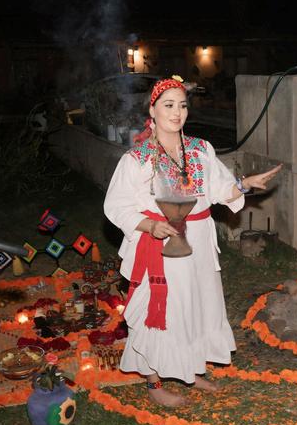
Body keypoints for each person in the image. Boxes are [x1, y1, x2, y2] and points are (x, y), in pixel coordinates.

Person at [104, 76, 281, 407]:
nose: (177, 112)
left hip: (198, 241)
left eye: (183, 105)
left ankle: (189, 368)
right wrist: (149, 225)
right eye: (169, 105)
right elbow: (116, 205)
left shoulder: (201, 149)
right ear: (152, 111)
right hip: (161, 245)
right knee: (162, 311)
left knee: (196, 306)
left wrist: (244, 185)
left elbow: (219, 189)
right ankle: (154, 382)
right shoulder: (137, 157)